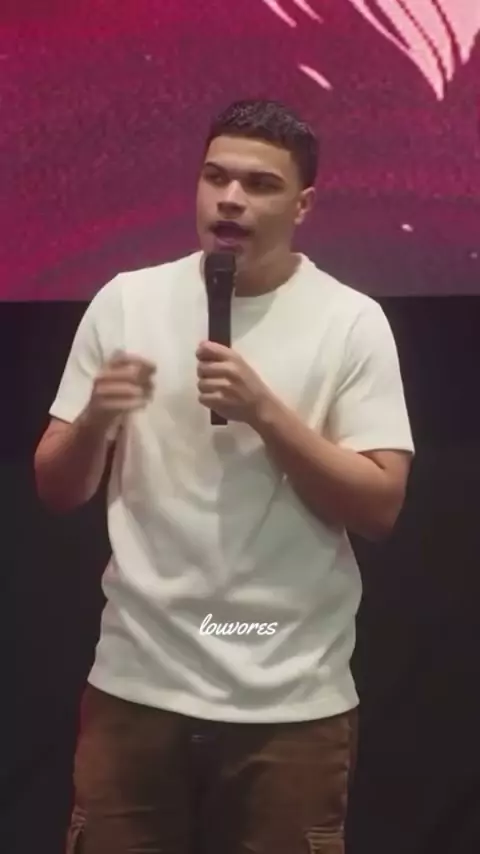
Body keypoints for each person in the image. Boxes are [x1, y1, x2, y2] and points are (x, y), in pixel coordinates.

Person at [34, 99, 414, 854]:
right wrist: (97, 419)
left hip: (289, 700)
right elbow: (56, 488)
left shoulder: (351, 321)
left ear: (303, 205)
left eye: (260, 185)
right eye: (216, 178)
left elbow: (380, 506)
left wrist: (265, 412)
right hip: (137, 689)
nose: (231, 199)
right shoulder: (127, 301)